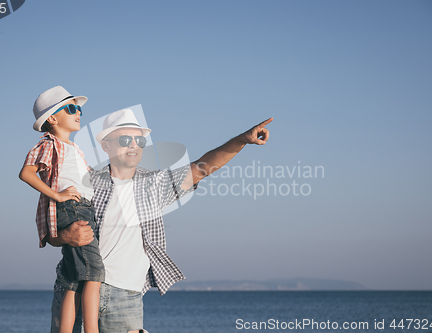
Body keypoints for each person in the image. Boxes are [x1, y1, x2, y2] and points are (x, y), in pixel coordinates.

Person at [48, 108, 273, 333]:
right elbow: (51, 230)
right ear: (106, 145)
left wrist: (242, 139)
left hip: (125, 299)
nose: (134, 145)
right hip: (75, 289)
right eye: (125, 139)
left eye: (140, 140)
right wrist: (65, 236)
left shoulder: (156, 184)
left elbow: (202, 168)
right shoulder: (86, 182)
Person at [19, 86, 105, 333]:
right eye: (71, 108)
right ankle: (92, 330)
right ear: (53, 118)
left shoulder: (75, 149)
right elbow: (26, 172)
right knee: (94, 273)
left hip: (83, 207)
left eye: (78, 108)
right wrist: (57, 195)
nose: (78, 112)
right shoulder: (49, 144)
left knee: (72, 279)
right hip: (73, 210)